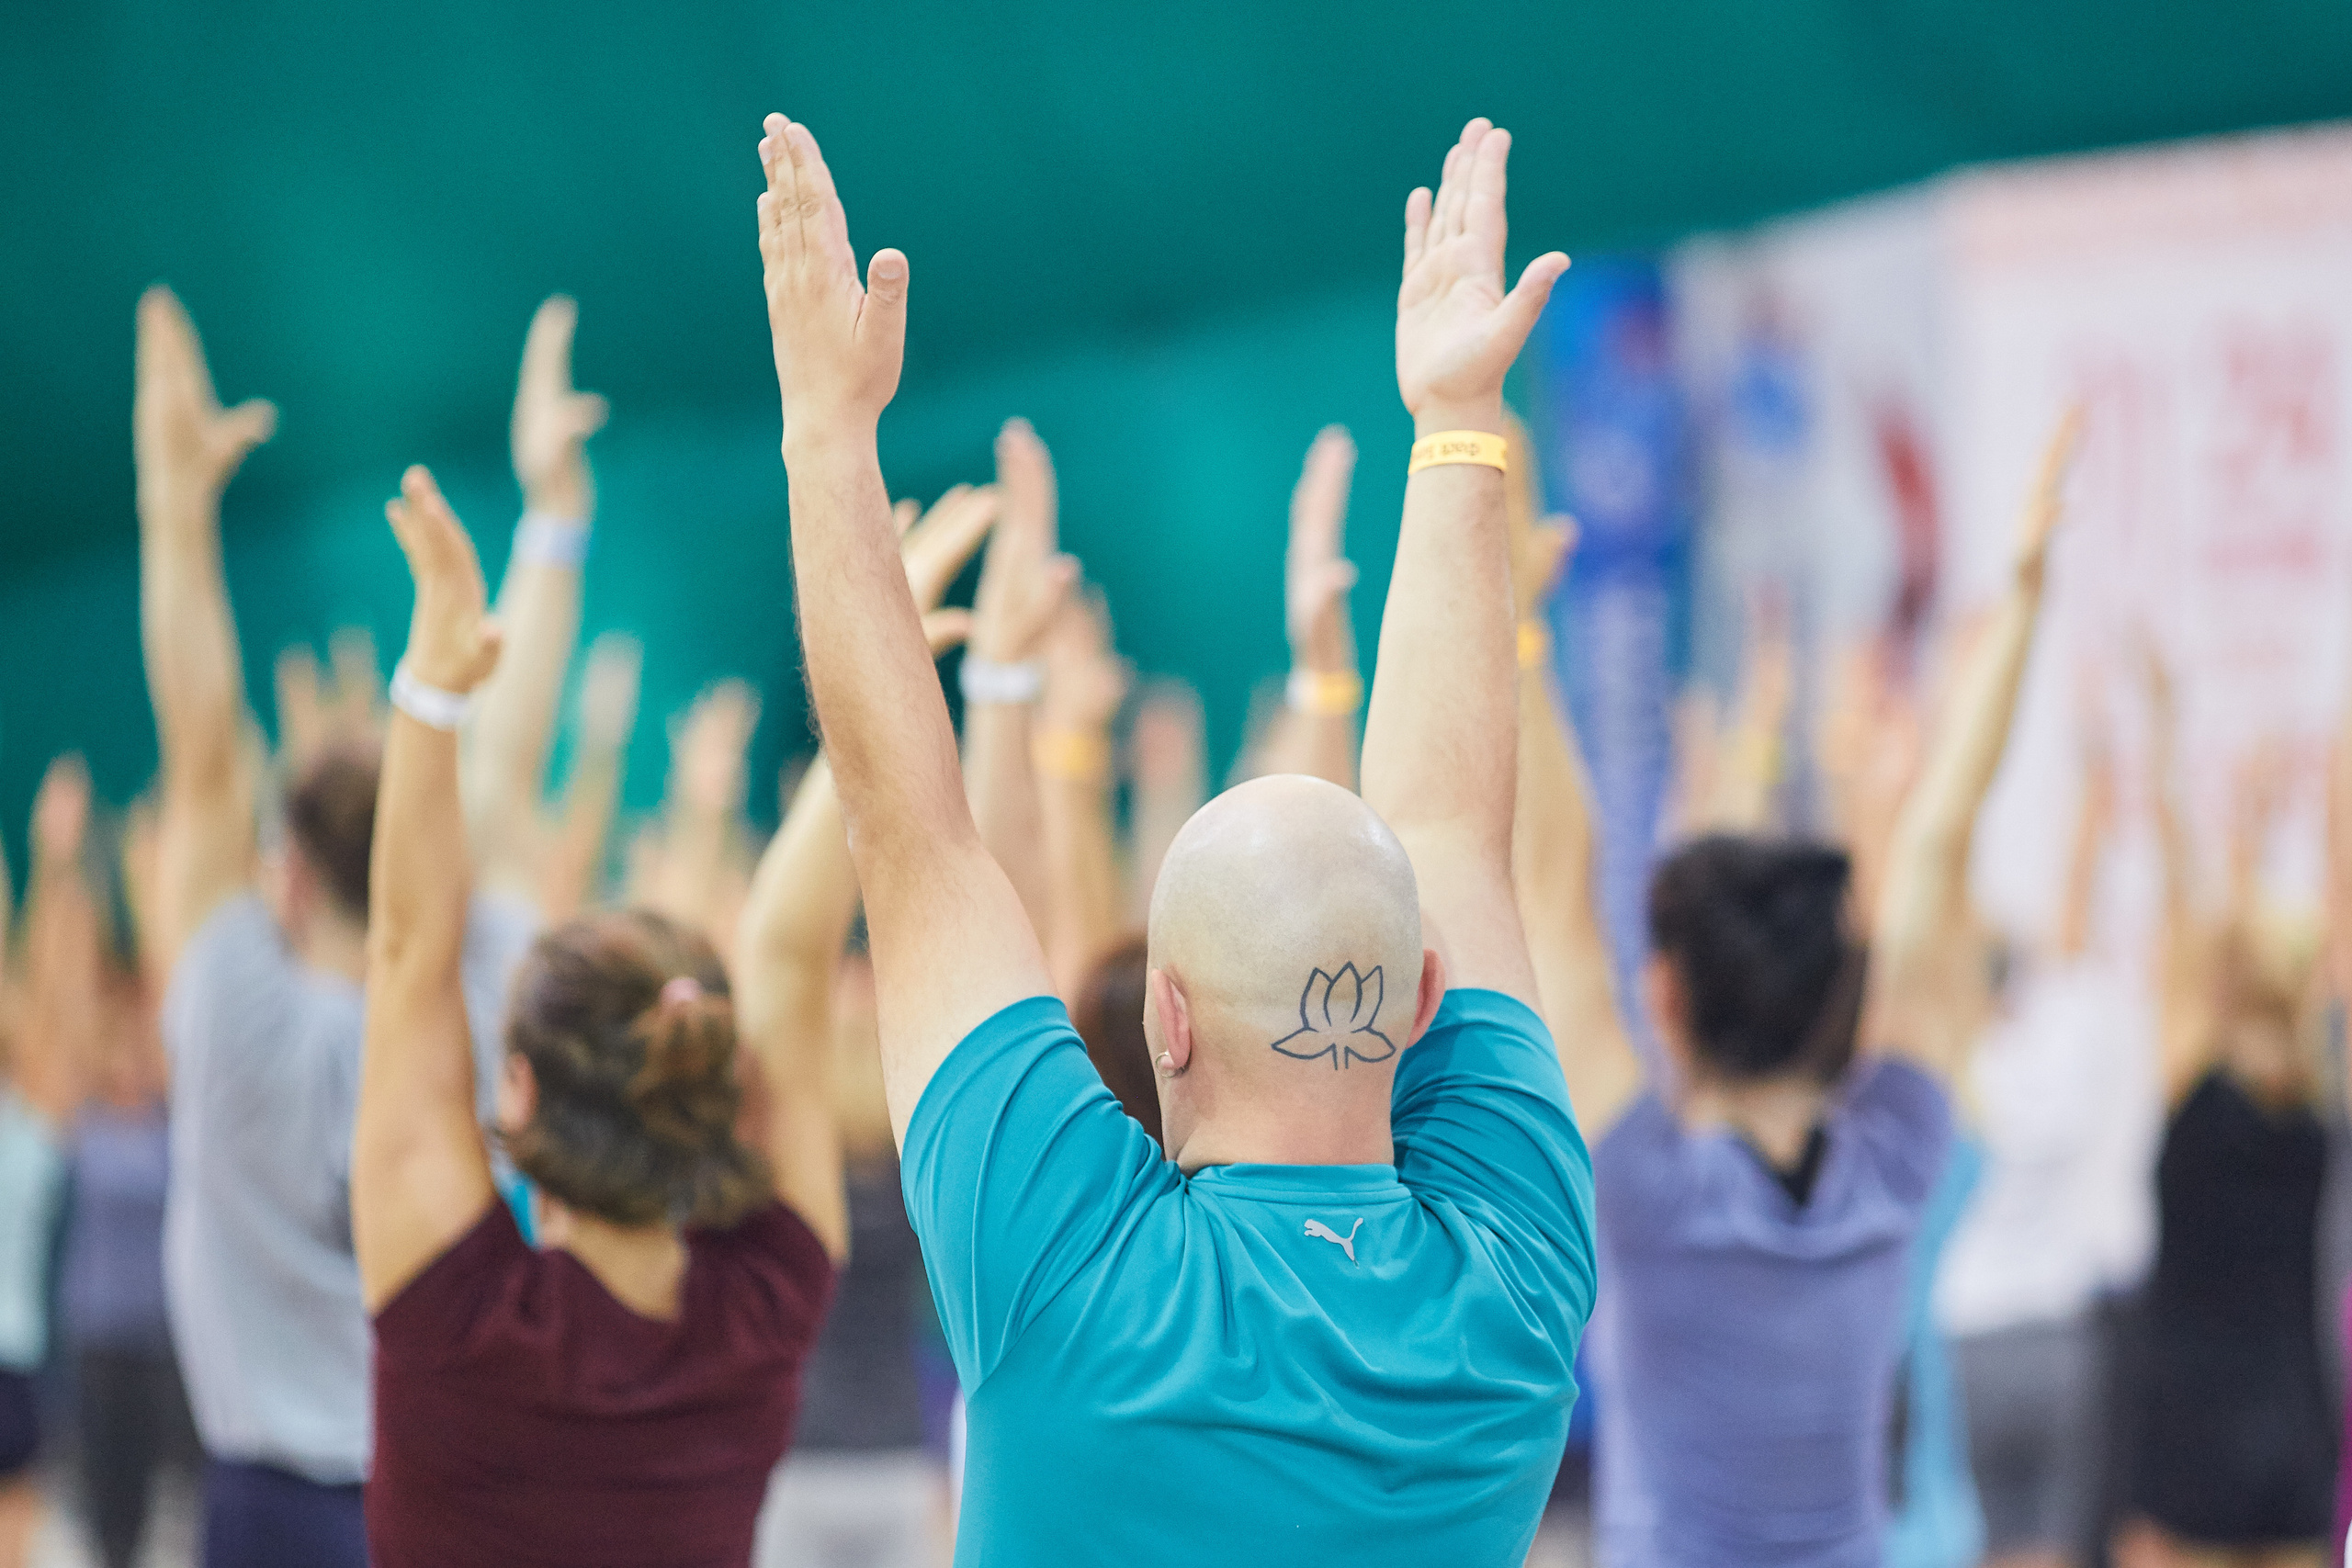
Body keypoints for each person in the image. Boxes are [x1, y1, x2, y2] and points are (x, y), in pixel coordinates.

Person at [759, 107, 1589, 1564]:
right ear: (1427, 999)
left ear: (1163, 1020)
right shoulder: (1514, 1279)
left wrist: (828, 431)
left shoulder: (1070, 1270)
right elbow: (1456, 818)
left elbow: (908, 832)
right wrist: (1459, 421)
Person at [354, 457, 986, 1567]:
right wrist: (880, 660)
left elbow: (409, 954)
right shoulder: (763, 1301)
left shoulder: (456, 1311)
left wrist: (433, 684)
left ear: (525, 1091)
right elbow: (789, 955)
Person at [1538, 413, 2076, 1566]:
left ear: (1667, 1001)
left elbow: (1554, 884)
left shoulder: (1645, 1193)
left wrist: (1512, 631)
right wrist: (2020, 608)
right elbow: (1936, 842)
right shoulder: (1895, 1163)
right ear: (1842, 991)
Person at [132, 288, 579, 1565]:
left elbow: (204, 751)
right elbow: (508, 768)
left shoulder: (231, 1001)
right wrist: (554, 512)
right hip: (436, 1489)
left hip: (263, 1498)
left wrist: (175, 506)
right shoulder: (476, 983)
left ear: (284, 876)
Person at [2128, 658, 2335, 1568]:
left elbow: (2182, 914)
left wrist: (2176, 757)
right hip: (2295, 1417)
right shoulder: (2323, 1090)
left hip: (2190, 1422)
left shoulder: (2191, 1073)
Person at [0, 761, 86, 1568]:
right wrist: (52, 861)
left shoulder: (32, 1120)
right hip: (14, 1362)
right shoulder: (35, 1119)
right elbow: (53, 999)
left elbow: (47, 999)